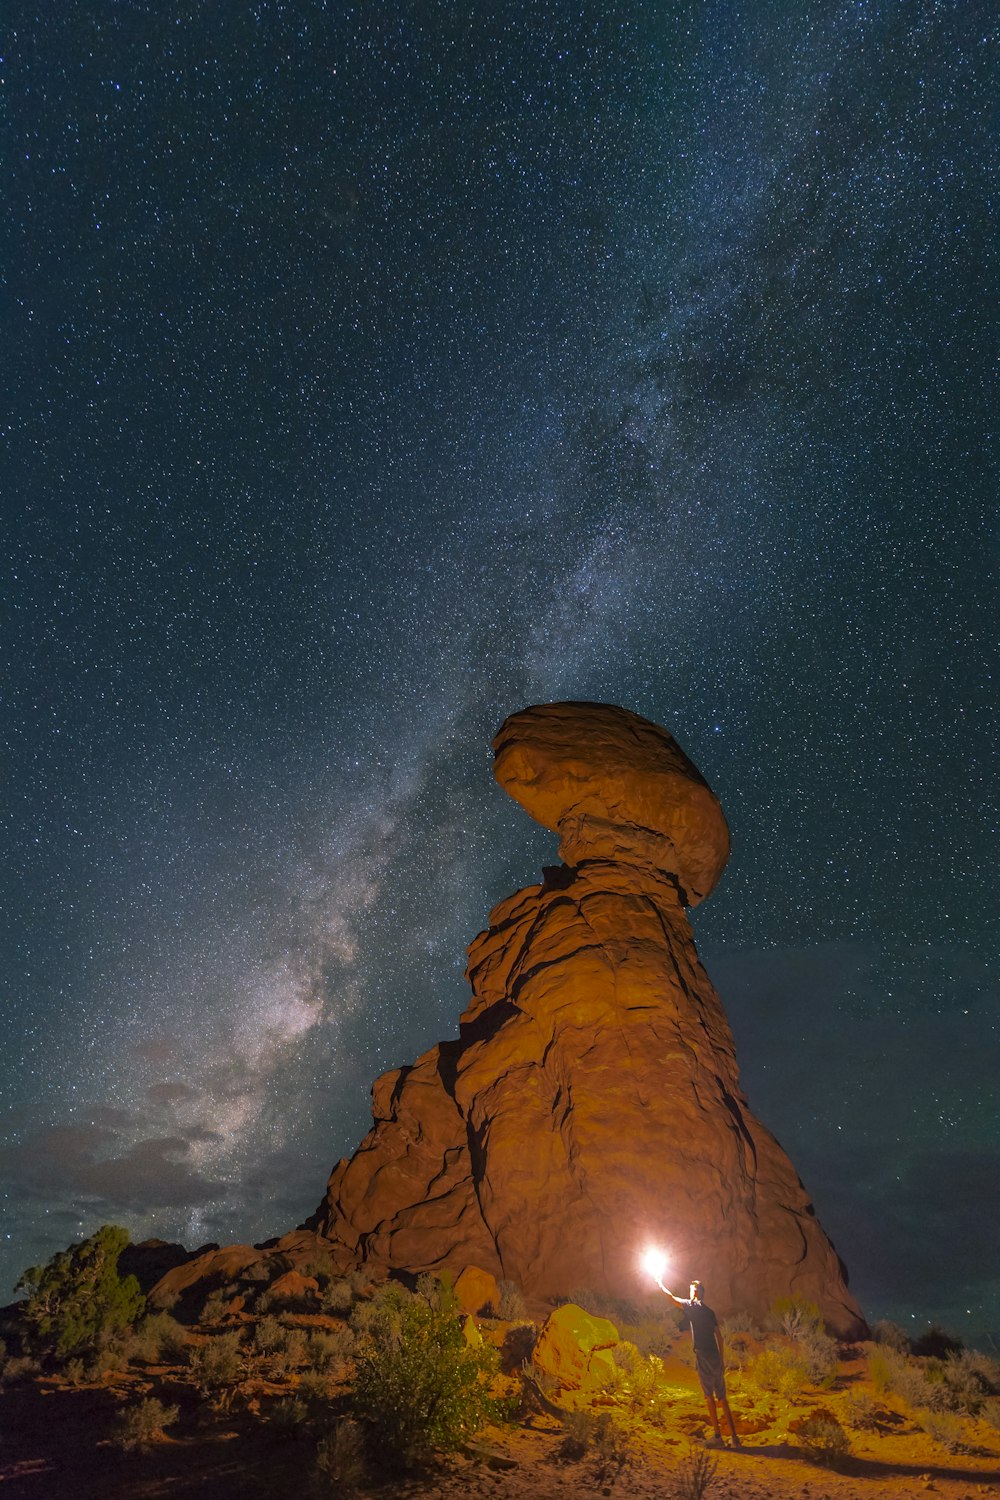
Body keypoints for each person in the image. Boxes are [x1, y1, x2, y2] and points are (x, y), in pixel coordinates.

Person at [657, 1277, 741, 1449]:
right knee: (722, 1398)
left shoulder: (691, 1306)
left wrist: (660, 1283)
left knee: (709, 1396)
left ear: (695, 1292)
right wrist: (722, 1360)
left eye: (690, 1289)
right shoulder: (710, 1312)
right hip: (715, 1357)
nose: (689, 1292)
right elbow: (719, 1336)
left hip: (703, 1356)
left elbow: (671, 1298)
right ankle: (734, 1438)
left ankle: (717, 1437)